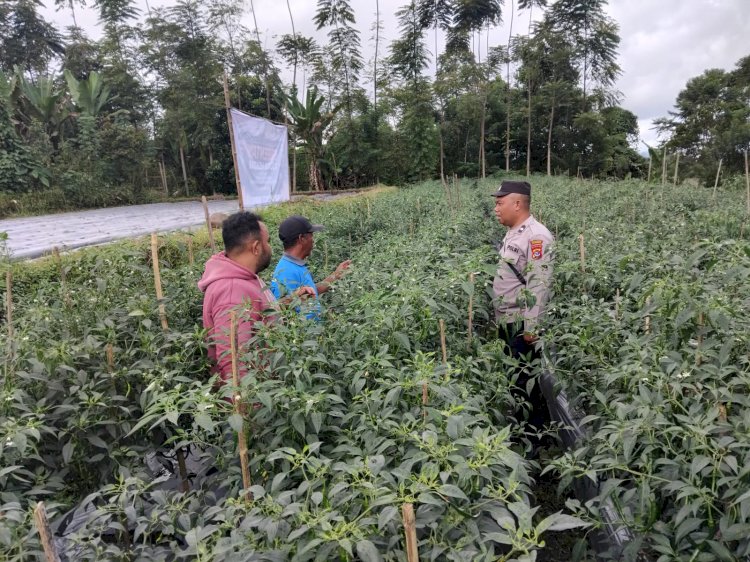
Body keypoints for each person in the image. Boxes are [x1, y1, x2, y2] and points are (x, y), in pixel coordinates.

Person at [198, 211, 312, 384]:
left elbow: (260, 316)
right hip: (256, 401)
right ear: (256, 247)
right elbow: (234, 368)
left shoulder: (245, 276)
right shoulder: (231, 293)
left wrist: (292, 299)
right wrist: (249, 409)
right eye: (268, 242)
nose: (270, 248)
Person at [492, 180, 554, 432]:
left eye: (500, 203)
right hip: (507, 319)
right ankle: (519, 426)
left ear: (517, 204)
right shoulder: (514, 231)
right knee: (514, 378)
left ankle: (530, 435)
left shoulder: (536, 236)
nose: (496, 208)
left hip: (521, 325)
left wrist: (531, 326)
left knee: (525, 382)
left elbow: (539, 283)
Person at [270, 215, 351, 321]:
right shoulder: (286, 272)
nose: (313, 240)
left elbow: (311, 292)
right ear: (301, 239)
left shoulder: (295, 265)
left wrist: (336, 275)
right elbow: (280, 311)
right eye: (311, 235)